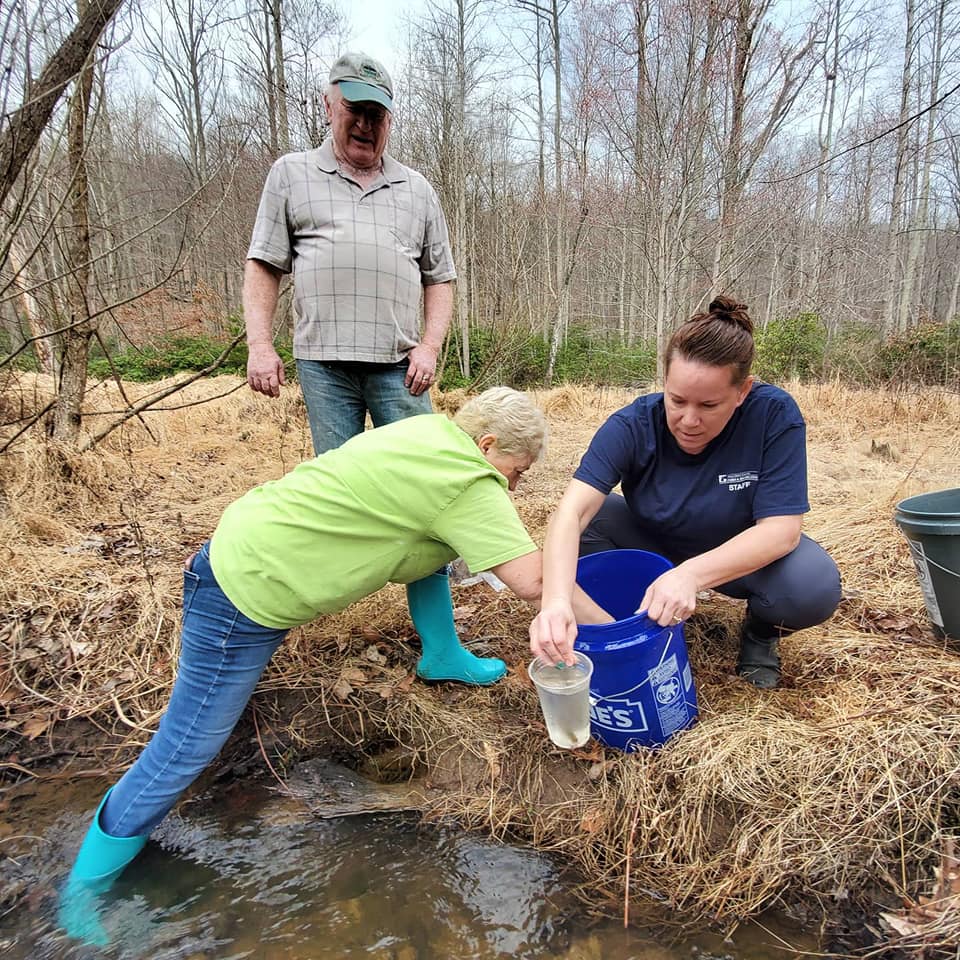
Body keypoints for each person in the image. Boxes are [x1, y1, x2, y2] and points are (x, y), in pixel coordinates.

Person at [59, 388, 609, 945]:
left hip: (247, 542)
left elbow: (431, 542)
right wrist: (617, 628)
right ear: (487, 444)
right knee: (186, 748)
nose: (513, 488)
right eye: (516, 472)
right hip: (243, 595)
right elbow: (537, 582)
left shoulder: (428, 435)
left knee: (435, 544)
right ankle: (84, 890)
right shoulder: (467, 482)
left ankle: (443, 655)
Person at [529, 295, 842, 690]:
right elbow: (570, 513)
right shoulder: (632, 426)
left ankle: (760, 634)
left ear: (743, 391)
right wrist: (556, 601)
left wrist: (690, 575)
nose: (688, 421)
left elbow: (782, 530)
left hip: (736, 554)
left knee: (811, 584)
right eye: (676, 400)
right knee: (596, 518)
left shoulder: (773, 416)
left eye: (709, 405)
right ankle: (633, 617)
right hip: (654, 543)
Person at [242, 50, 454, 454]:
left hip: (401, 366)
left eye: (376, 115)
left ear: (389, 120)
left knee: (420, 471)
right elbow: (264, 265)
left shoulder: (418, 189)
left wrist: (429, 347)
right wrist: (260, 346)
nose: (364, 124)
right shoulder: (290, 174)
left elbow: (440, 278)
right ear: (328, 105)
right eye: (354, 109)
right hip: (325, 367)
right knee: (341, 486)